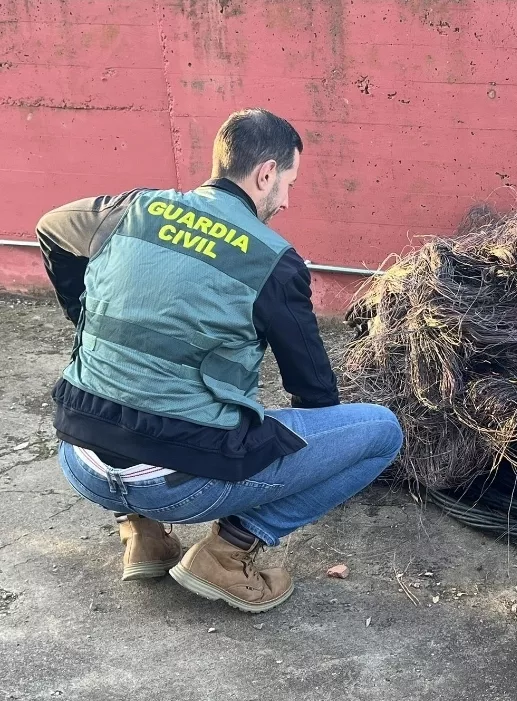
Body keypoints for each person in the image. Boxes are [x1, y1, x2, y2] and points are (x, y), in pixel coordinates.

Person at [37, 108, 402, 613]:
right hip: (178, 487)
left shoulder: (131, 208)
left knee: (132, 389)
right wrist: (310, 454)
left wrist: (83, 313)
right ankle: (230, 551)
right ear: (266, 173)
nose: (288, 200)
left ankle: (143, 537)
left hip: (81, 462)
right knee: (381, 431)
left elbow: (51, 226)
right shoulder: (272, 258)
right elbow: (314, 393)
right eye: (289, 183)